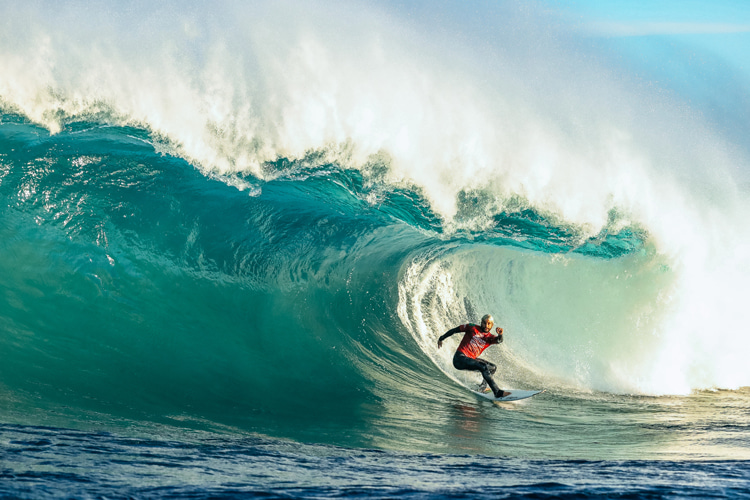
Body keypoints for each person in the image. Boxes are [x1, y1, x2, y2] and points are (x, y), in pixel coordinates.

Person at [437, 314, 510, 398]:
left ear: (492, 325)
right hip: (459, 359)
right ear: (481, 322)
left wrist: (500, 335)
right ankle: (497, 392)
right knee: (483, 366)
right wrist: (441, 338)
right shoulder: (472, 327)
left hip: (470, 359)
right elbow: (455, 330)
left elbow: (499, 340)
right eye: (484, 323)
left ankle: (482, 387)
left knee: (492, 367)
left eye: (489, 324)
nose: (486, 325)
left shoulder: (490, 338)